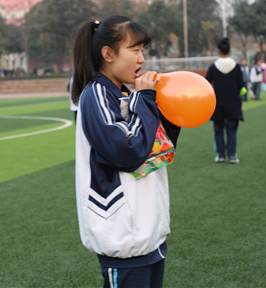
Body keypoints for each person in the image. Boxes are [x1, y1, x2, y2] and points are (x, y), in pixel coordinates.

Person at [71, 15, 181, 288]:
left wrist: (168, 112)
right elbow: (127, 152)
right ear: (108, 54)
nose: (142, 58)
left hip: (148, 232)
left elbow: (157, 152)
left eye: (143, 50)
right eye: (135, 50)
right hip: (124, 236)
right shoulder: (96, 94)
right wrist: (144, 99)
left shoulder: (124, 95)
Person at [205, 38, 244, 164]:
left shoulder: (213, 67)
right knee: (231, 131)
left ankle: (221, 155)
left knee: (218, 130)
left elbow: (206, 83)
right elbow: (242, 86)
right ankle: (232, 156)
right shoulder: (236, 67)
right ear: (230, 50)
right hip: (233, 103)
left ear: (219, 51)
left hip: (218, 103)